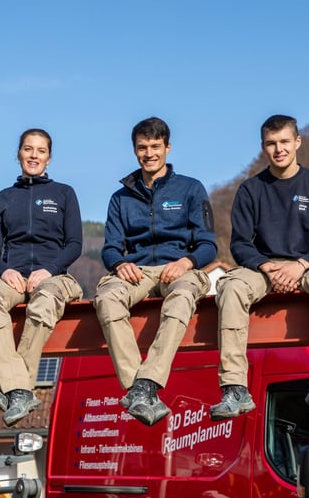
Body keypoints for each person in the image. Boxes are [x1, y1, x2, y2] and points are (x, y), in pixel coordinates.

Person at [210, 114, 309, 421]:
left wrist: (301, 265)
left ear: (297, 142)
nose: (279, 149)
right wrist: (268, 267)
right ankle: (234, 387)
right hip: (264, 267)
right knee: (231, 286)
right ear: (263, 147)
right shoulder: (250, 190)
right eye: (272, 144)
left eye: (285, 141)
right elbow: (239, 244)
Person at [95, 116, 217, 427]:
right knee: (107, 299)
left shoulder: (191, 189)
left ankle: (148, 382)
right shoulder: (120, 198)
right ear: (134, 150)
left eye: (155, 146)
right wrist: (120, 264)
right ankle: (137, 387)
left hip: (180, 268)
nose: (149, 153)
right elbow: (109, 248)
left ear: (168, 147)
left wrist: (186, 262)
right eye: (142, 147)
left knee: (181, 299)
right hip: (135, 270)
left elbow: (207, 245)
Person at [0, 128, 83, 427]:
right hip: (12, 276)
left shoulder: (64, 193)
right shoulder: (3, 198)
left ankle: (11, 388)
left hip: (53, 275)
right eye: (28, 149)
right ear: (18, 154)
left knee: (44, 301)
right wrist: (5, 270)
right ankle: (20, 390)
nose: (34, 155)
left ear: (49, 158)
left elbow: (75, 244)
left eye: (41, 150)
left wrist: (49, 270)